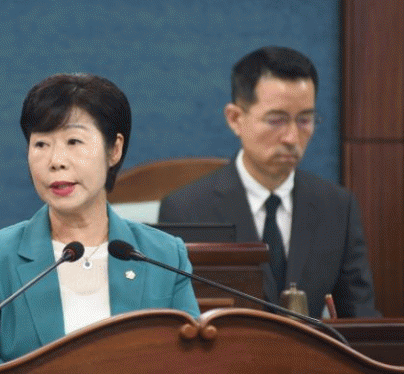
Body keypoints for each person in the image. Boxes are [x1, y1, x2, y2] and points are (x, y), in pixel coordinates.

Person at [0, 73, 200, 369]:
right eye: (41, 144)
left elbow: (192, 366)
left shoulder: (164, 256)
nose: (56, 161)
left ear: (114, 149)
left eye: (73, 141)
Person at [159, 46, 379, 319]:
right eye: (276, 120)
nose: (291, 137)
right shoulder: (186, 210)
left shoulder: (337, 207)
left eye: (305, 120)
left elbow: (360, 317)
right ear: (235, 119)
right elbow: (175, 320)